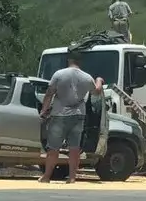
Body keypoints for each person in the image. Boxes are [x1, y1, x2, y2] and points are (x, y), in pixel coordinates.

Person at [38, 53, 104, 183]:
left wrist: (43, 111)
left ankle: (46, 177)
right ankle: (72, 177)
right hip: (78, 116)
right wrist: (99, 80)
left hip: (59, 115)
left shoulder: (59, 74)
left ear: (69, 60)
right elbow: (96, 91)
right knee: (74, 148)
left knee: (53, 148)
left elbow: (49, 93)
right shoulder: (87, 77)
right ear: (81, 62)